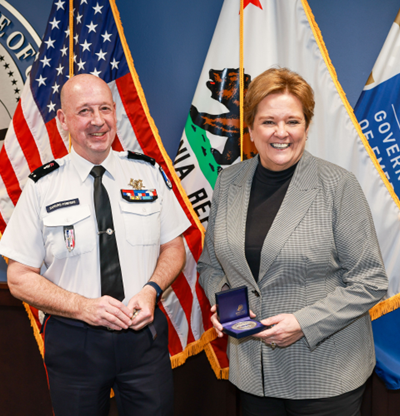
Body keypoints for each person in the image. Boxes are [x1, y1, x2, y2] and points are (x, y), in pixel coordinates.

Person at [198, 67, 388, 416]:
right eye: (268, 121)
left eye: (293, 121)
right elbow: (210, 265)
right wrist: (224, 303)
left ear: (307, 127)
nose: (281, 132)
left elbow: (370, 281)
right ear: (250, 128)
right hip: (253, 374)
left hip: (325, 375)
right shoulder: (228, 181)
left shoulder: (338, 185)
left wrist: (304, 323)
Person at [0, 74, 190, 416]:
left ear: (115, 111)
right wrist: (81, 306)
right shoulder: (42, 187)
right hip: (75, 342)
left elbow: (174, 247)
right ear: (63, 120)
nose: (98, 120)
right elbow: (18, 277)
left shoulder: (147, 173)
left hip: (142, 338)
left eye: (104, 108)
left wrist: (152, 289)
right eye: (84, 111)